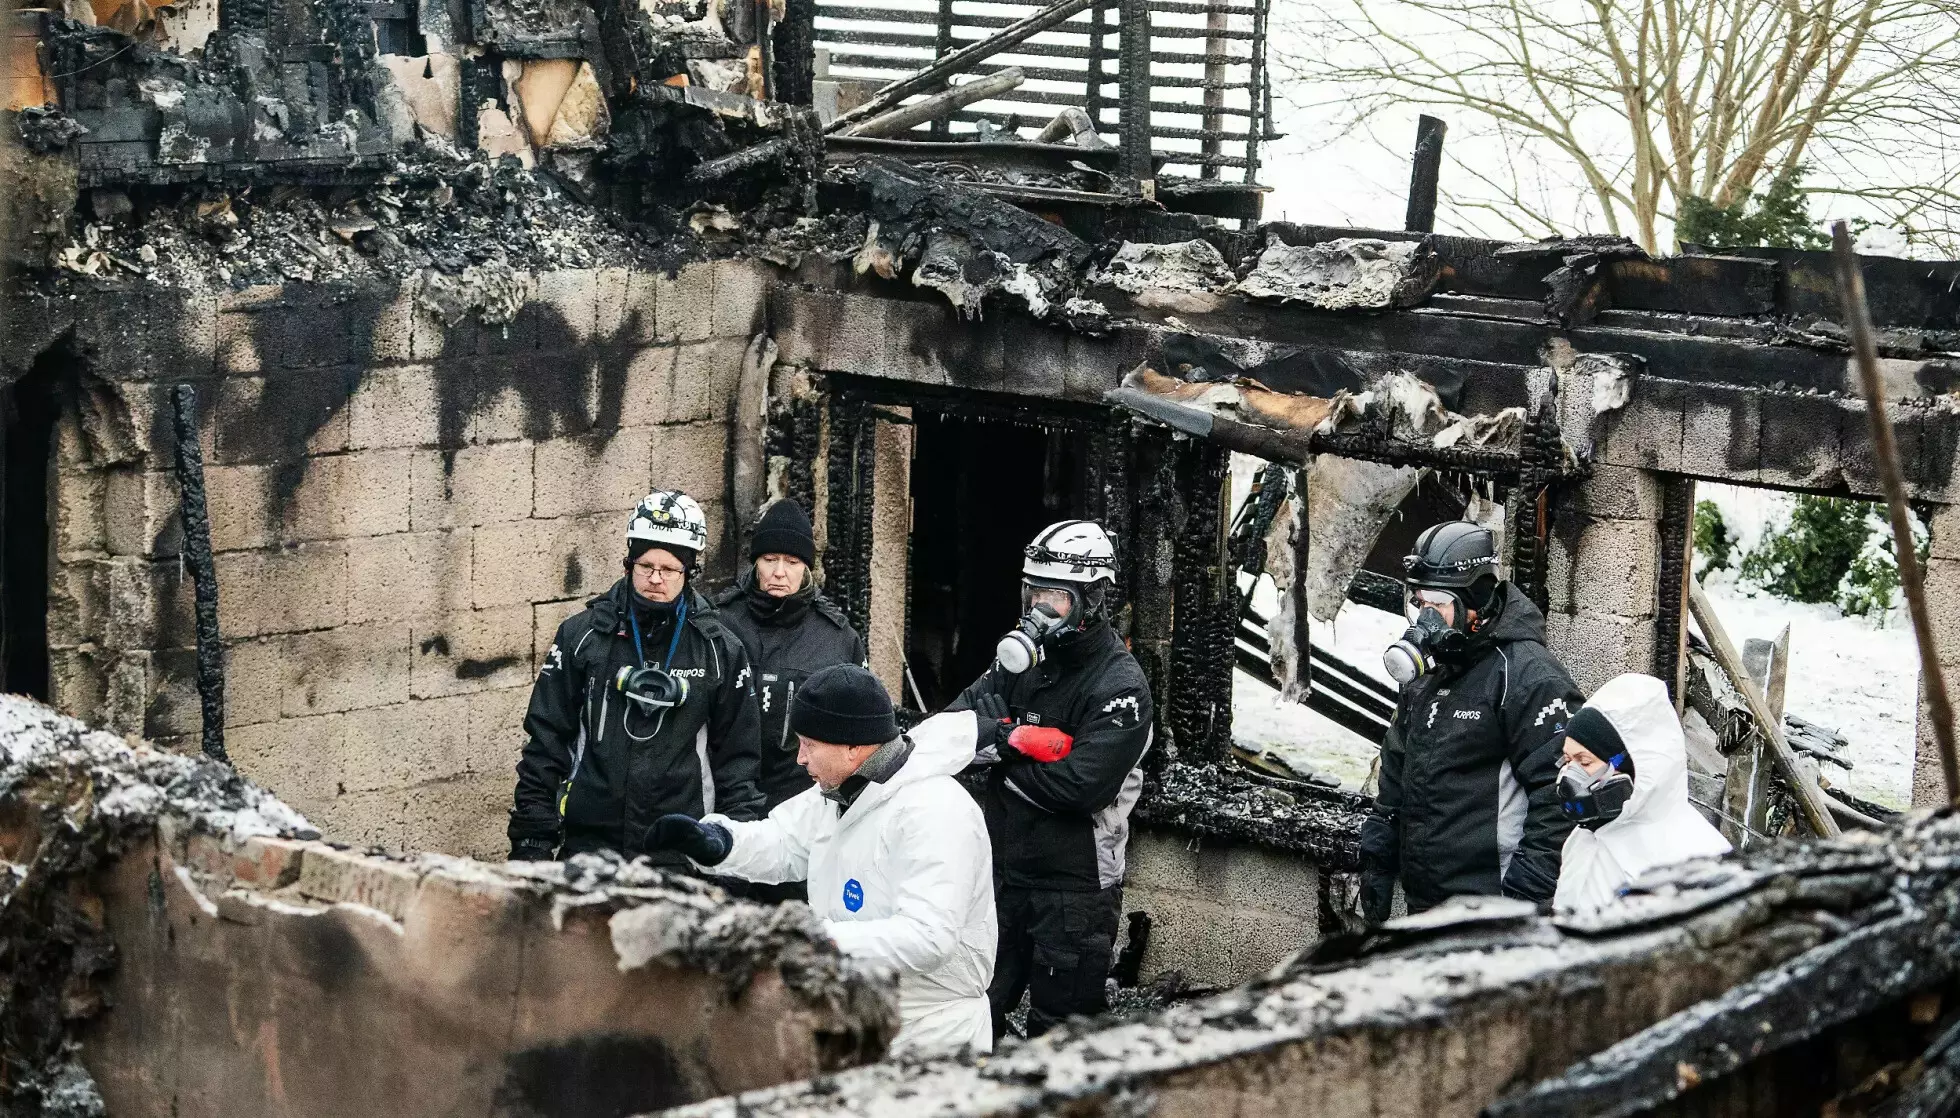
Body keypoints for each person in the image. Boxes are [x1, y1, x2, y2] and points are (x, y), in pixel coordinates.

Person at [645, 665, 996, 1056]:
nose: (799, 759)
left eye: (809, 744)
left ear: (853, 747)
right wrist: (721, 843)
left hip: (933, 1029)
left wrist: (816, 941)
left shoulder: (935, 811)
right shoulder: (840, 793)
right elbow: (783, 841)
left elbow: (928, 937)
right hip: (857, 1013)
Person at [948, 519, 1153, 1041]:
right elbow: (947, 730)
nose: (1039, 608)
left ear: (1092, 598)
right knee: (971, 1015)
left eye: (1055, 596)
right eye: (1033, 592)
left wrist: (997, 749)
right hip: (1003, 873)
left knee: (1062, 1037)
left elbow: (1080, 788)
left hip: (1076, 887)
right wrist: (1009, 738)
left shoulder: (1120, 684)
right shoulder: (1016, 664)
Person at [508, 490, 765, 863]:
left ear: (689, 571)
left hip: (679, 850)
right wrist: (532, 840)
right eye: (645, 566)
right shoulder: (583, 637)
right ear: (629, 563)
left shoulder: (720, 649)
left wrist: (734, 854)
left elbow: (738, 762)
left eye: (670, 569)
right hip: (590, 845)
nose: (656, 579)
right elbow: (546, 742)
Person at [1361, 520, 1584, 923]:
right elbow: (1396, 769)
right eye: (1418, 604)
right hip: (1427, 901)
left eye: (1438, 605)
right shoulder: (1430, 672)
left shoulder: (1527, 676)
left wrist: (1523, 894)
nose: (1425, 620)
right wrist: (1377, 857)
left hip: (1491, 903)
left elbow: (1560, 796)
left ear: (1475, 602)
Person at [713, 498, 868, 813]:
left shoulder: (837, 637)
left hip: (800, 804)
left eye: (792, 562)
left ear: (807, 568)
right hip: (723, 797)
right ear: (756, 562)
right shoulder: (720, 621)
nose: (779, 573)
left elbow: (858, 728)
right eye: (770, 559)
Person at [1553, 673, 1732, 913]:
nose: (1569, 775)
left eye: (1584, 762)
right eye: (1567, 760)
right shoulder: (1585, 838)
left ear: (1631, 765)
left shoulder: (1695, 861)